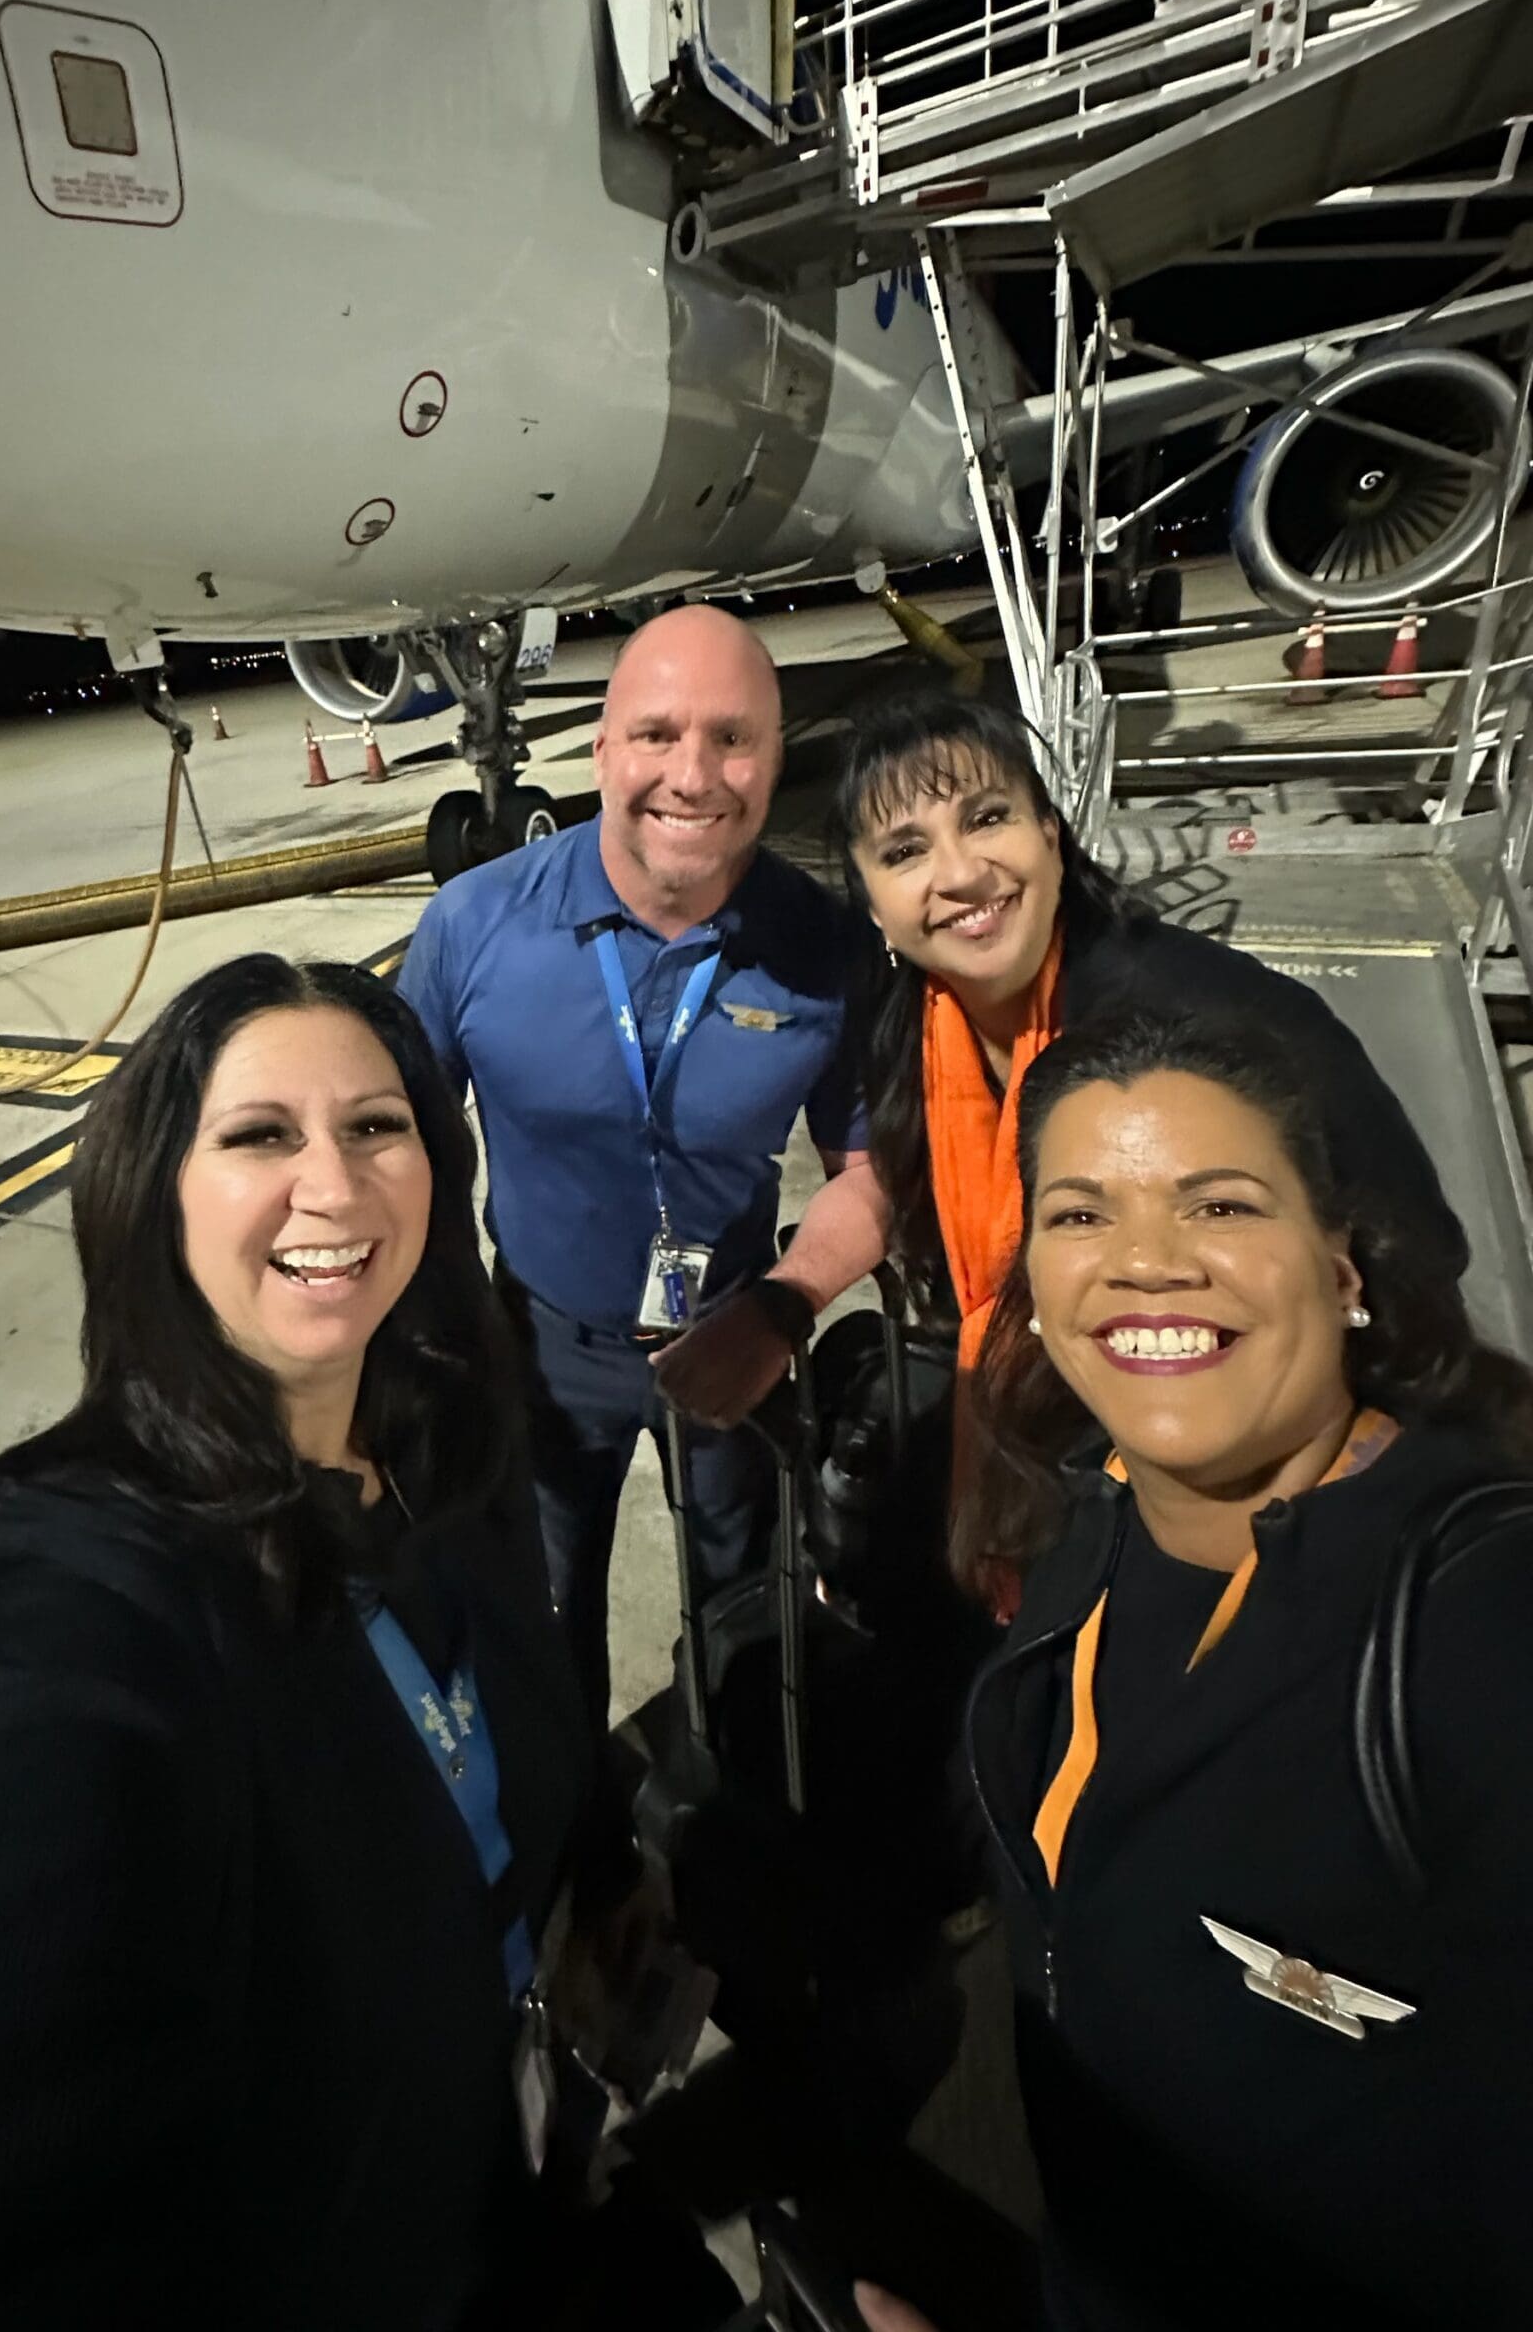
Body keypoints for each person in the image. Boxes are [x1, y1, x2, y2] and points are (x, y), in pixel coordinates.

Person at [0, 956, 619, 2332]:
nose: (331, 1186)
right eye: (259, 1135)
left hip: (502, 2197)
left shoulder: (450, 1452)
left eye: (378, 1127)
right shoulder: (62, 1588)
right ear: (157, 1194)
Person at [886, 1006, 1532, 2331]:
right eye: (1080, 1215)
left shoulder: (1476, 1623)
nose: (1146, 1264)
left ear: (1345, 1264)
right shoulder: (1094, 1521)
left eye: (1220, 1206)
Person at [654, 691, 1468, 1545]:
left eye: (989, 817)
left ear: (1049, 831)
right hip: (1061, 1445)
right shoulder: (916, 1019)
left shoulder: (1192, 1024)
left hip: (1247, 1482)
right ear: (873, 903)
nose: (962, 872)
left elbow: (1416, 1255)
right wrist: (786, 1303)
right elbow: (897, 1179)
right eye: (906, 850)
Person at [399, 605, 872, 1726]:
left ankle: (723, 1834)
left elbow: (874, 1165)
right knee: (546, 1621)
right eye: (657, 735)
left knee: (742, 1613)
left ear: (776, 754)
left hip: (739, 1344)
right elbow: (390, 1155)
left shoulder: (828, 949)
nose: (692, 774)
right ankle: (588, 1855)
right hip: (539, 1349)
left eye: (732, 738)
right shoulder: (473, 927)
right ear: (603, 750)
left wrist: (789, 1306)